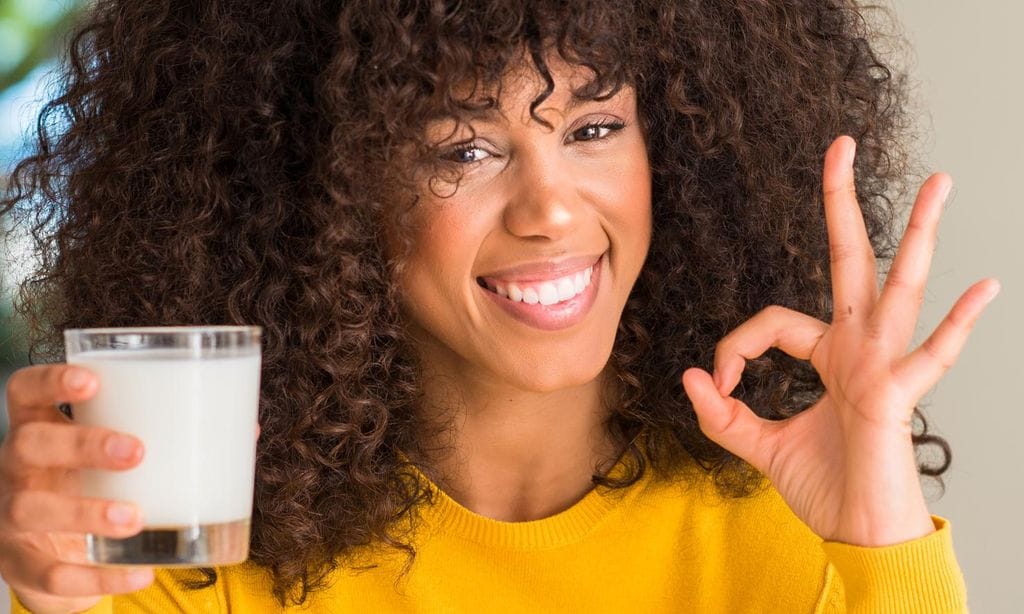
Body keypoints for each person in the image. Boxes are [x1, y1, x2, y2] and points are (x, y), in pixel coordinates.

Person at [0, 0, 998, 612]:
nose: (551, 207)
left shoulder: (806, 535)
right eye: (462, 148)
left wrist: (880, 539)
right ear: (325, 189)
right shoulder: (187, 542)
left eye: (594, 124)